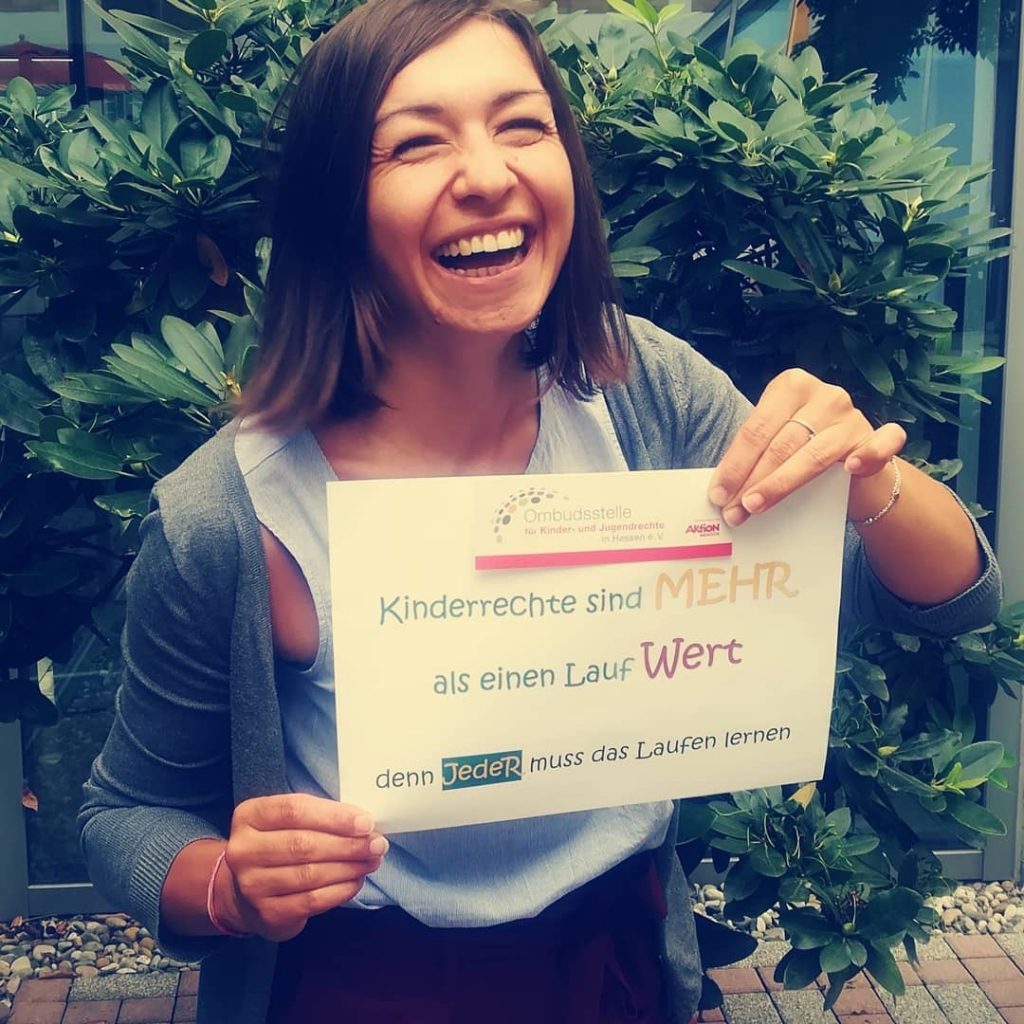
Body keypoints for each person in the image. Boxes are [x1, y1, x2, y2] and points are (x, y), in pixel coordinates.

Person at [78, 1, 1002, 1022]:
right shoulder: (222, 516)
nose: (487, 174)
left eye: (523, 125)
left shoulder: (641, 389)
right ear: (335, 204)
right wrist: (228, 883)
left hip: (615, 964)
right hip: (360, 986)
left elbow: (950, 599)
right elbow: (126, 812)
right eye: (415, 144)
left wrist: (864, 478)